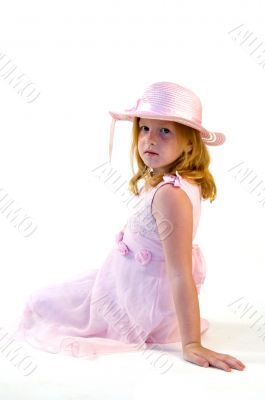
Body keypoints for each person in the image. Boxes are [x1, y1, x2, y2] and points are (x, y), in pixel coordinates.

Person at [13, 81, 245, 373]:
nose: (150, 139)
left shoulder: (171, 196)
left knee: (41, 304)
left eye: (165, 131)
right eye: (145, 128)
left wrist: (191, 344)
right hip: (124, 281)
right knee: (50, 299)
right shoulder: (169, 180)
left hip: (137, 298)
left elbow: (180, 272)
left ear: (189, 142)